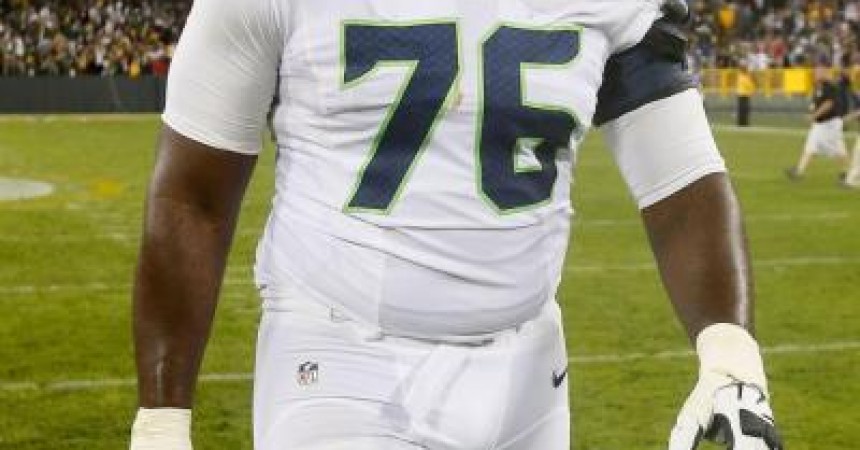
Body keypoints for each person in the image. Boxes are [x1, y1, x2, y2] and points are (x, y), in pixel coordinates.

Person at [130, 0, 783, 449]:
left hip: (530, 370)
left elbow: (681, 176)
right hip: (339, 354)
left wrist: (731, 351)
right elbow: (193, 198)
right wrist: (161, 420)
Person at [786, 65, 852, 181]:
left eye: (819, 72)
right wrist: (812, 113)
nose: (816, 74)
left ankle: (849, 172)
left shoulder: (830, 87)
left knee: (837, 149)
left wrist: (813, 116)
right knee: (812, 147)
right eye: (816, 72)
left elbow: (828, 104)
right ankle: (799, 171)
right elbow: (817, 103)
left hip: (830, 124)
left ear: (825, 73)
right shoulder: (818, 86)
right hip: (821, 124)